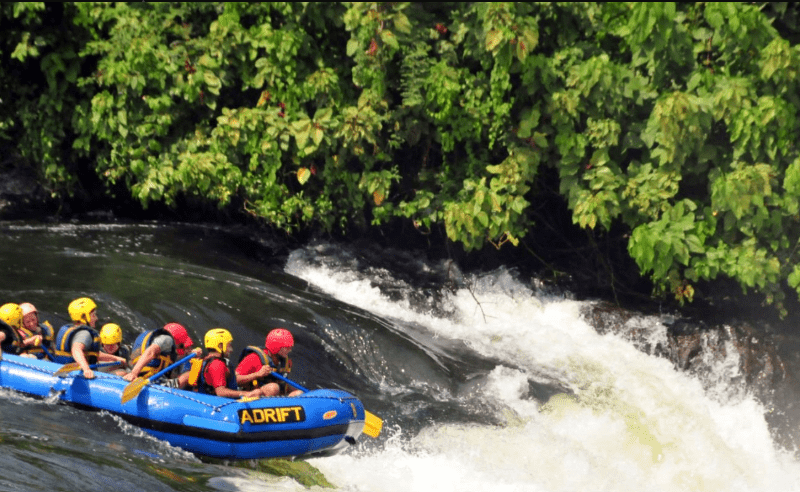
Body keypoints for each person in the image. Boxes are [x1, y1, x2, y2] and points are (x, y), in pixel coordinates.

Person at [191, 328, 271, 399]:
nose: (231, 350)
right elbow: (221, 392)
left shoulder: (206, 359)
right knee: (267, 390)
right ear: (220, 346)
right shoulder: (217, 365)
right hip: (221, 403)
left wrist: (256, 375)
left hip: (213, 399)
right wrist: (246, 393)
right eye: (229, 345)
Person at [53, 297, 120, 379]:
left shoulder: (72, 329)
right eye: (93, 315)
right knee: (122, 372)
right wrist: (86, 369)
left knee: (118, 364)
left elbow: (92, 354)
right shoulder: (85, 334)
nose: (96, 318)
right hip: (77, 373)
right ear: (84, 316)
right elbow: (76, 349)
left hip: (61, 366)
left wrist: (115, 358)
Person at [236, 328, 303, 397]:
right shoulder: (253, 358)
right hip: (252, 395)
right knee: (273, 388)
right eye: (287, 348)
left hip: (275, 394)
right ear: (276, 347)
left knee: (298, 392)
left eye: (290, 347)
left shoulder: (286, 361)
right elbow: (235, 379)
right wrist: (257, 374)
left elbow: (283, 382)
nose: (290, 350)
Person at [161, 322, 202, 388]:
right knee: (187, 376)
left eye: (189, 347)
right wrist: (184, 379)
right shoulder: (158, 359)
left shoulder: (172, 354)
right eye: (186, 348)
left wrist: (194, 355)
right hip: (158, 385)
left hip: (168, 377)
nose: (189, 350)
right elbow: (160, 385)